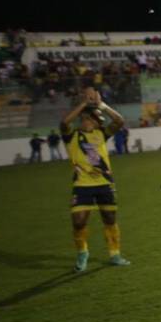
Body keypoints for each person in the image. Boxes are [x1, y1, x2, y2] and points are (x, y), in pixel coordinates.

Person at [61, 87, 130, 271]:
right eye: (83, 119)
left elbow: (119, 121)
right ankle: (83, 252)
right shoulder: (72, 136)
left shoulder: (101, 134)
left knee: (109, 219)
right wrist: (83, 103)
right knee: (78, 221)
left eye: (90, 119)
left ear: (96, 121)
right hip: (82, 185)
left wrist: (101, 105)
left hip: (105, 184)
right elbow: (64, 122)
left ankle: (115, 254)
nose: (86, 122)